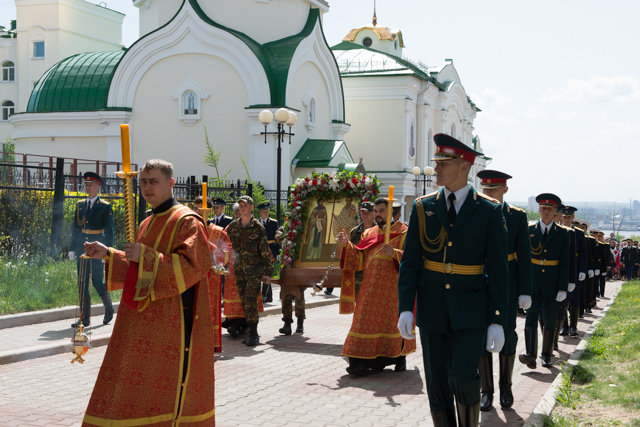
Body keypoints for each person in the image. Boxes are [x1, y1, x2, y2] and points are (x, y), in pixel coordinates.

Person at [82, 159, 218, 425]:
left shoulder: (187, 221)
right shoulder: (147, 222)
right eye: (143, 182)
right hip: (142, 320)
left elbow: (194, 268)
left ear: (170, 183)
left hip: (173, 323)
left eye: (153, 181)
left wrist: (145, 256)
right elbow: (138, 268)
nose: (147, 187)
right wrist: (108, 254)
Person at [397, 134, 509, 426]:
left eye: (443, 163)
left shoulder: (489, 210)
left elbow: (498, 269)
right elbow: (410, 262)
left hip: (471, 309)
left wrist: (497, 318)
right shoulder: (424, 207)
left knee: (463, 375)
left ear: (464, 166)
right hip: (433, 308)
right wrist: (406, 307)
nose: (436, 168)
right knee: (437, 383)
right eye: (436, 162)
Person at [337, 197, 415, 377]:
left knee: (390, 325)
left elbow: (413, 260)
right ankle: (359, 362)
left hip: (392, 290)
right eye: (376, 211)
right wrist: (347, 245)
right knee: (362, 322)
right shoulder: (368, 233)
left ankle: (397, 357)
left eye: (381, 211)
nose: (378, 215)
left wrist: (395, 253)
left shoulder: (403, 232)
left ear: (390, 212)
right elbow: (359, 259)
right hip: (369, 289)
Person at [475, 170, 532, 411]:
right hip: (478, 281)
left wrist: (525, 290)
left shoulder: (516, 216)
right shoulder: (474, 212)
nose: (488, 194)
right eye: (485, 190)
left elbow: (525, 257)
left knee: (507, 335)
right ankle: (486, 391)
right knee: (480, 336)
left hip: (507, 281)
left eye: (493, 190)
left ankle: (506, 385)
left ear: (505, 190)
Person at [519, 193, 570, 370]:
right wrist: (522, 284)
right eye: (543, 208)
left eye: (550, 209)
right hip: (533, 282)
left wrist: (563, 287)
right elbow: (524, 259)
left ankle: (546, 355)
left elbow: (565, 262)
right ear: (539, 209)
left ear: (555, 211)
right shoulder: (529, 230)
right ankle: (530, 354)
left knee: (549, 320)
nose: (546, 212)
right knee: (530, 319)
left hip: (552, 283)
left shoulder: (563, 233)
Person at [225, 195, 273, 346]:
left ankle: (254, 333)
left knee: (251, 300)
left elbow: (264, 250)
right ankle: (249, 330)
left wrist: (267, 272)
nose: (242, 208)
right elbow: (226, 245)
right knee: (245, 301)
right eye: (240, 205)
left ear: (251, 207)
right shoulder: (233, 226)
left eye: (244, 205)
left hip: (254, 271)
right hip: (239, 270)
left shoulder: (258, 227)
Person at [69, 172, 114, 328]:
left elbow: (109, 232)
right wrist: (72, 248)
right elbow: (75, 228)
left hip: (97, 247)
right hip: (82, 246)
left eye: (91, 185)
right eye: (86, 184)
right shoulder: (80, 204)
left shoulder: (105, 206)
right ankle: (84, 318)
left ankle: (109, 308)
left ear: (98, 186)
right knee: (82, 283)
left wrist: (107, 253)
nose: (88, 187)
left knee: (96, 281)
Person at [194, 196, 229, 351]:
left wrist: (211, 247)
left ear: (208, 211)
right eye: (196, 209)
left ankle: (211, 342)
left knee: (210, 309)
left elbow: (226, 253)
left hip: (211, 277)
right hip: (192, 276)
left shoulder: (217, 231)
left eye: (202, 210)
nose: (199, 213)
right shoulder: (187, 230)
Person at [325, 201, 375, 296]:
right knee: (357, 306)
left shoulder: (379, 231)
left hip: (373, 275)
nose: (364, 215)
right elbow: (350, 252)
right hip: (358, 276)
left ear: (373, 214)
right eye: (362, 212)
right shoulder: (355, 232)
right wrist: (345, 244)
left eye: (367, 213)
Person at [561, 208, 587, 338]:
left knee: (574, 299)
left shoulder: (579, 233)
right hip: (560, 269)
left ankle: (573, 327)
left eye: (569, 217)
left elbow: (583, 253)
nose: (566, 219)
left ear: (573, 218)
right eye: (564, 217)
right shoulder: (557, 230)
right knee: (562, 300)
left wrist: (582, 270)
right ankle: (564, 326)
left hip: (575, 269)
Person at [276, 226, 306, 335]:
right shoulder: (285, 227)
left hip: (299, 265)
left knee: (299, 295)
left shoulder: (302, 225)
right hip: (286, 265)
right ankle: (287, 323)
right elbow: (278, 237)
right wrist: (287, 237)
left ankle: (300, 322)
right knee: (286, 294)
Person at [257, 201, 279, 303]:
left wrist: (278, 252)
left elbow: (278, 238)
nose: (266, 213)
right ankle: (268, 296)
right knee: (262, 272)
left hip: (270, 250)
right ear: (260, 212)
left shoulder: (273, 223)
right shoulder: (256, 223)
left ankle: (265, 295)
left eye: (267, 211)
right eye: (264, 211)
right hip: (259, 251)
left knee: (267, 272)